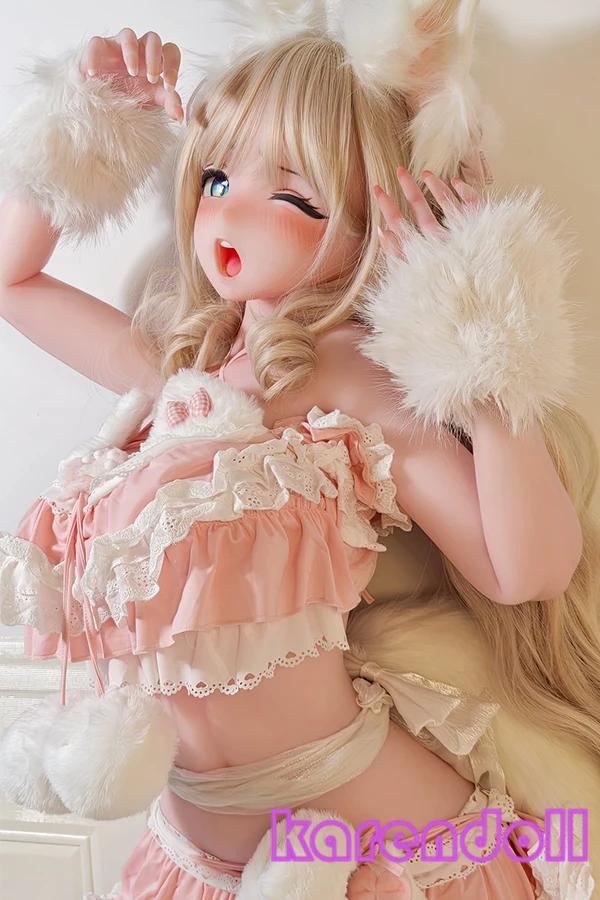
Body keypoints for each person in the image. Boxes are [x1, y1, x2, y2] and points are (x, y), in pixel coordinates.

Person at [0, 2, 598, 897]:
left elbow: (527, 571)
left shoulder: (347, 376)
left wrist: (480, 333)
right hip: (197, 854)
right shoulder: (182, 367)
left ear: (364, 229)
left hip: (372, 853)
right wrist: (85, 119)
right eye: (215, 177)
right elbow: (12, 281)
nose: (227, 214)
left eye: (292, 196)